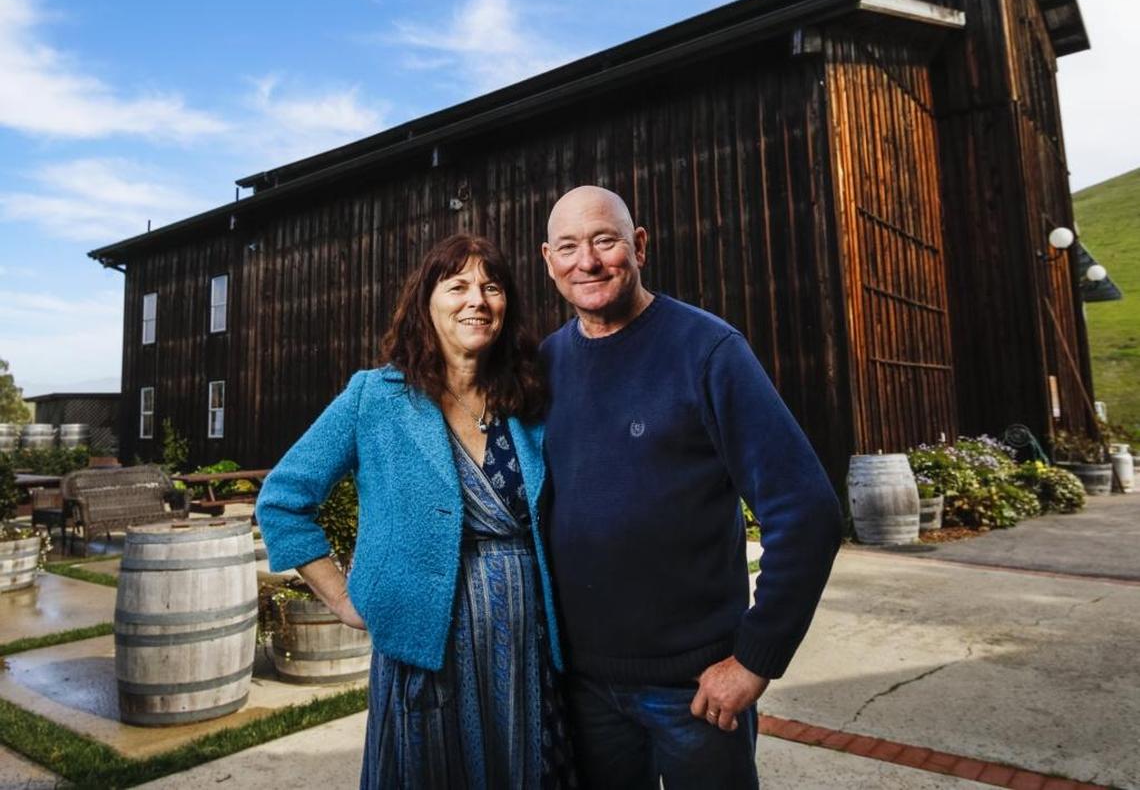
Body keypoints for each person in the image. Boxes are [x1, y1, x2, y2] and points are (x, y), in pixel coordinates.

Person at [539, 186, 843, 789]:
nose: (588, 262)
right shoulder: (545, 363)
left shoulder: (707, 350)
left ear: (640, 246)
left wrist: (755, 660)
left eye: (605, 241)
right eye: (569, 247)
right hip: (583, 689)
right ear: (549, 260)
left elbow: (807, 512)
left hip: (696, 689)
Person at [256, 234, 575, 789]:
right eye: (458, 286)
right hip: (428, 641)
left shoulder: (527, 399)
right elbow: (283, 500)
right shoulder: (376, 397)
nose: (477, 299)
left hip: (526, 641)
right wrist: (343, 599)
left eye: (491, 287)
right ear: (426, 302)